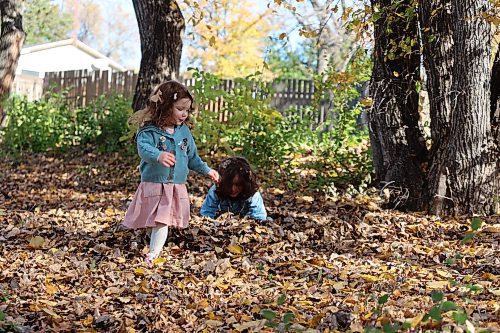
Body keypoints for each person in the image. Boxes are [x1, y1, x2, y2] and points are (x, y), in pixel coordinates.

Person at [123, 80, 219, 264]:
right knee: (152, 219)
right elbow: (143, 148)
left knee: (162, 220)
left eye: (187, 110)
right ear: (165, 106)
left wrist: (207, 170)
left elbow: (192, 157)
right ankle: (152, 241)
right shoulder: (148, 130)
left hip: (173, 186)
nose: (185, 114)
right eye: (180, 109)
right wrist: (158, 155)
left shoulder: (183, 133)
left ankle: (153, 254)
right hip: (153, 184)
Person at [200, 157, 267, 221]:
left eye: (238, 185)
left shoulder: (253, 194)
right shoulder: (216, 190)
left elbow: (259, 217)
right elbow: (206, 213)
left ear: (245, 184)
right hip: (221, 224)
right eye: (229, 184)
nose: (233, 189)